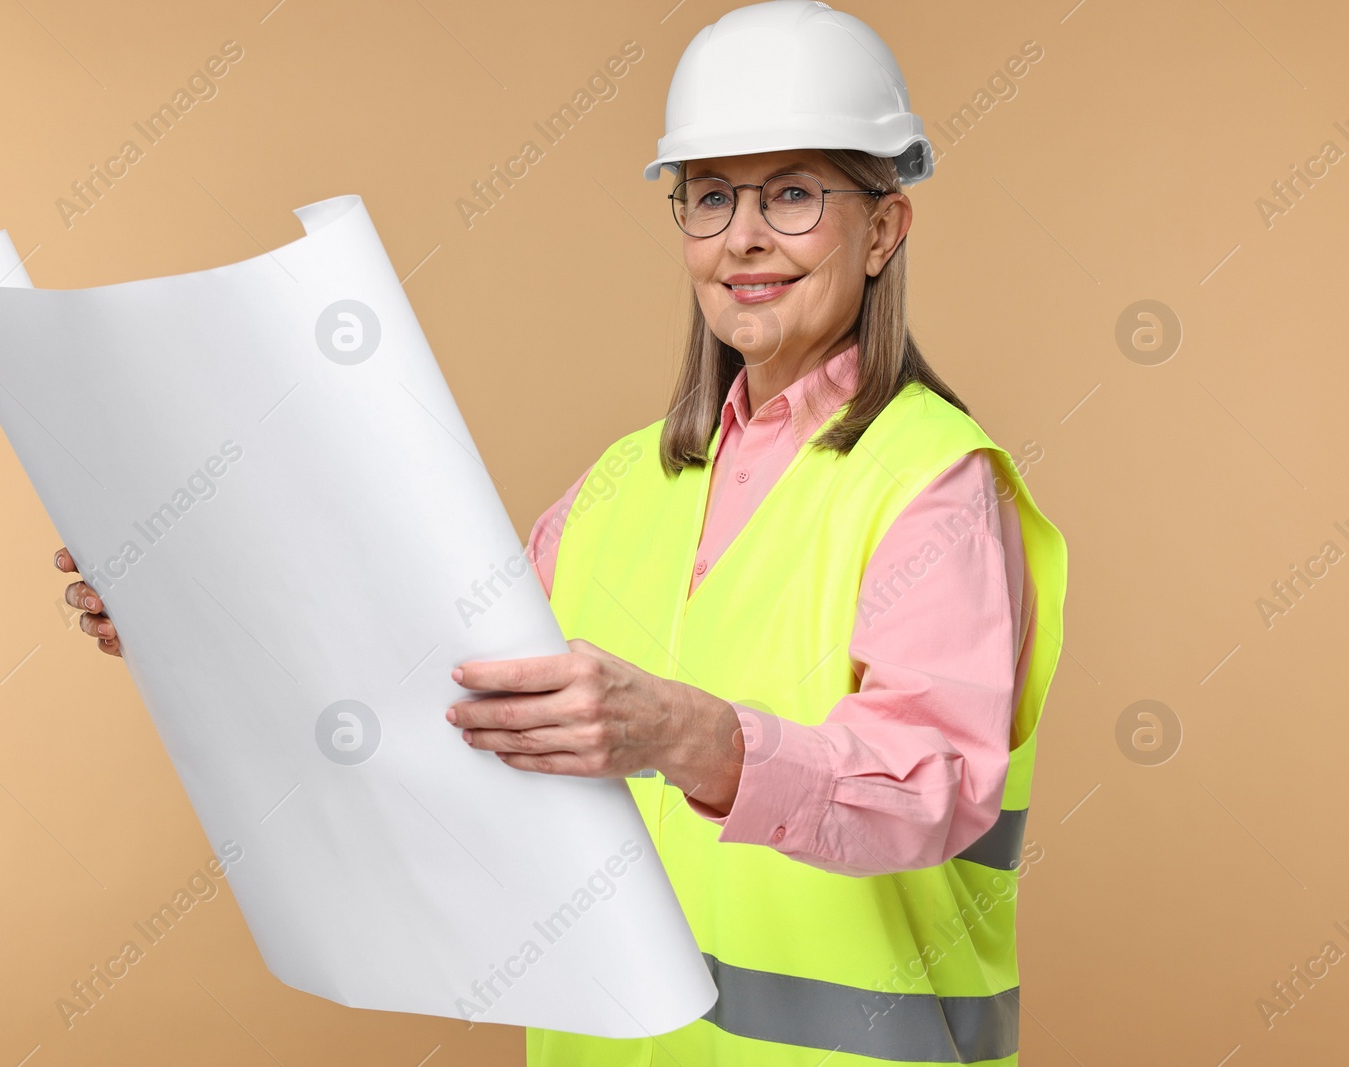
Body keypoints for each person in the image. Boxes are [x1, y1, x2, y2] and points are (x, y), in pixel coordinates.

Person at [56, 2, 1067, 1063]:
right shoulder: (619, 486)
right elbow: (422, 676)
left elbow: (933, 786)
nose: (744, 237)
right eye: (711, 196)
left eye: (796, 192)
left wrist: (690, 737)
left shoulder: (933, 484)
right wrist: (190, 610)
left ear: (883, 228)